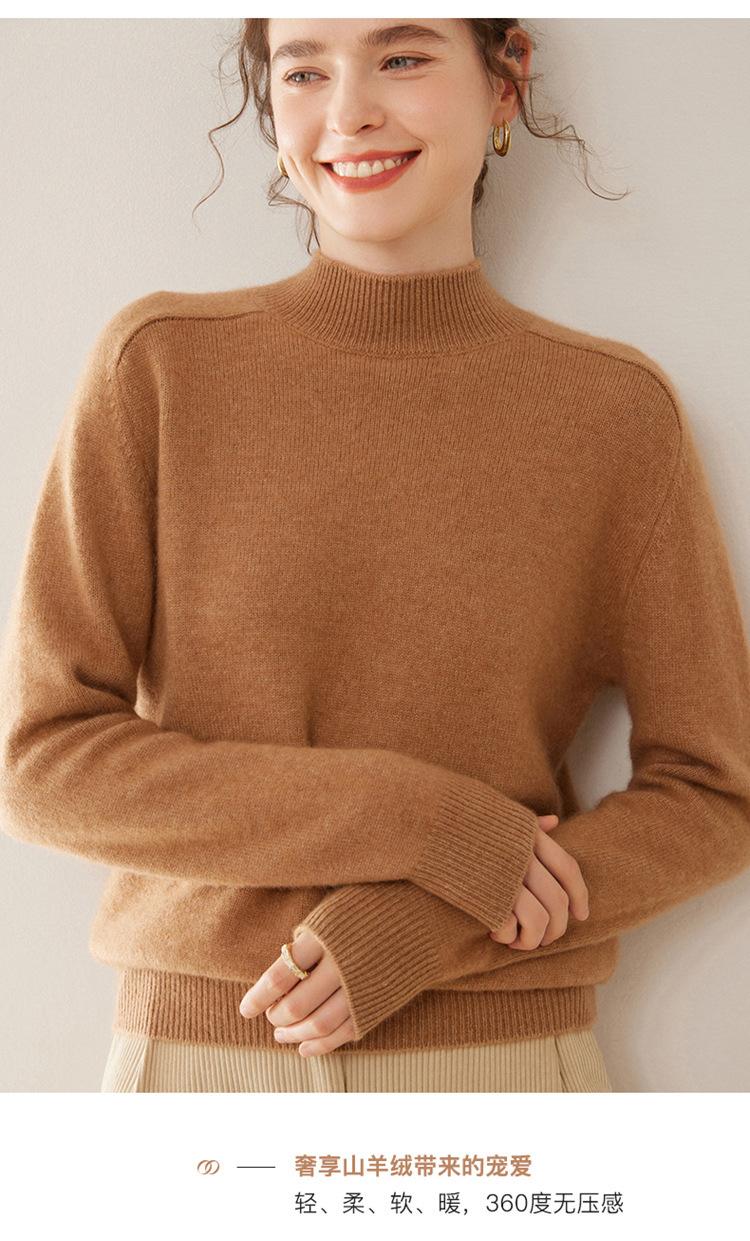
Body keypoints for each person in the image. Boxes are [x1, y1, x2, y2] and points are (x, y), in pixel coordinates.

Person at [2, 18, 749, 1094]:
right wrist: (429, 822)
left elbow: (716, 794)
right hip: (203, 1064)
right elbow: (43, 762)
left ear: (506, 81)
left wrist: (436, 920)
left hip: (506, 1067)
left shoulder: (614, 413)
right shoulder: (159, 369)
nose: (348, 111)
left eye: (401, 57)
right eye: (304, 70)